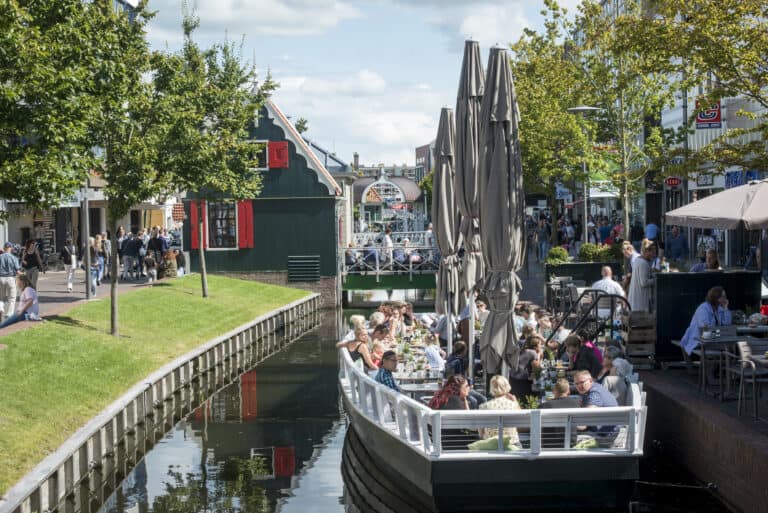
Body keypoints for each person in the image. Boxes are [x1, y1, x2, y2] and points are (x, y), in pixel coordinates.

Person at [681, 286, 732, 355]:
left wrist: (726, 308)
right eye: (723, 296)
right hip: (698, 341)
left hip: (712, 339)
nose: (725, 299)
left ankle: (726, 363)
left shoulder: (719, 308)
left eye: (725, 296)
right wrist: (721, 332)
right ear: (716, 297)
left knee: (730, 340)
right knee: (728, 345)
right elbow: (705, 331)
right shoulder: (703, 309)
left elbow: (727, 324)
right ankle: (724, 364)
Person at [478, 375, 521, 446]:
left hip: (491, 445)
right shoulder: (513, 405)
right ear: (506, 386)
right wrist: (515, 402)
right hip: (512, 444)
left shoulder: (483, 407)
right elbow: (520, 424)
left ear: (492, 388)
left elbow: (481, 434)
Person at [627, 241, 654, 312]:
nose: (654, 254)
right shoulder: (643, 263)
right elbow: (644, 282)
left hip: (635, 302)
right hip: (639, 303)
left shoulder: (637, 260)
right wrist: (656, 279)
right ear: (647, 251)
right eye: (652, 251)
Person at [0, 242, 21, 322]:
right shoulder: (13, 258)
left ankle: (1, 309)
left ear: (4, 248)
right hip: (10, 278)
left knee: (1, 297)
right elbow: (18, 271)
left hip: (0, 278)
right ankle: (9, 314)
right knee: (12, 298)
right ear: (11, 248)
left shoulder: (0, 257)